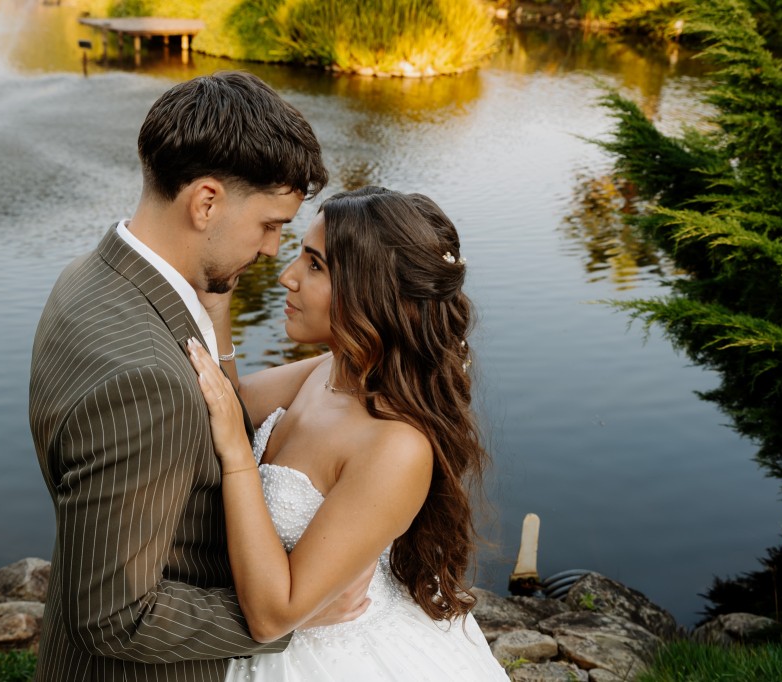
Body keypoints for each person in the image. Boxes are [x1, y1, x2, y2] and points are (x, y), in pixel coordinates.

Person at [28, 72, 371, 682]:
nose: (273, 251)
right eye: (270, 224)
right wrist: (292, 616)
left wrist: (219, 322)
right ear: (206, 203)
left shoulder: (87, 278)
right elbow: (115, 617)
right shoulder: (146, 384)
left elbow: (195, 436)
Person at [186, 186, 511, 681]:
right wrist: (216, 305)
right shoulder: (331, 371)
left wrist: (237, 457)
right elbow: (227, 402)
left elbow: (273, 616)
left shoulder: (395, 446)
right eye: (301, 255)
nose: (288, 276)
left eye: (315, 266)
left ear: (371, 290)